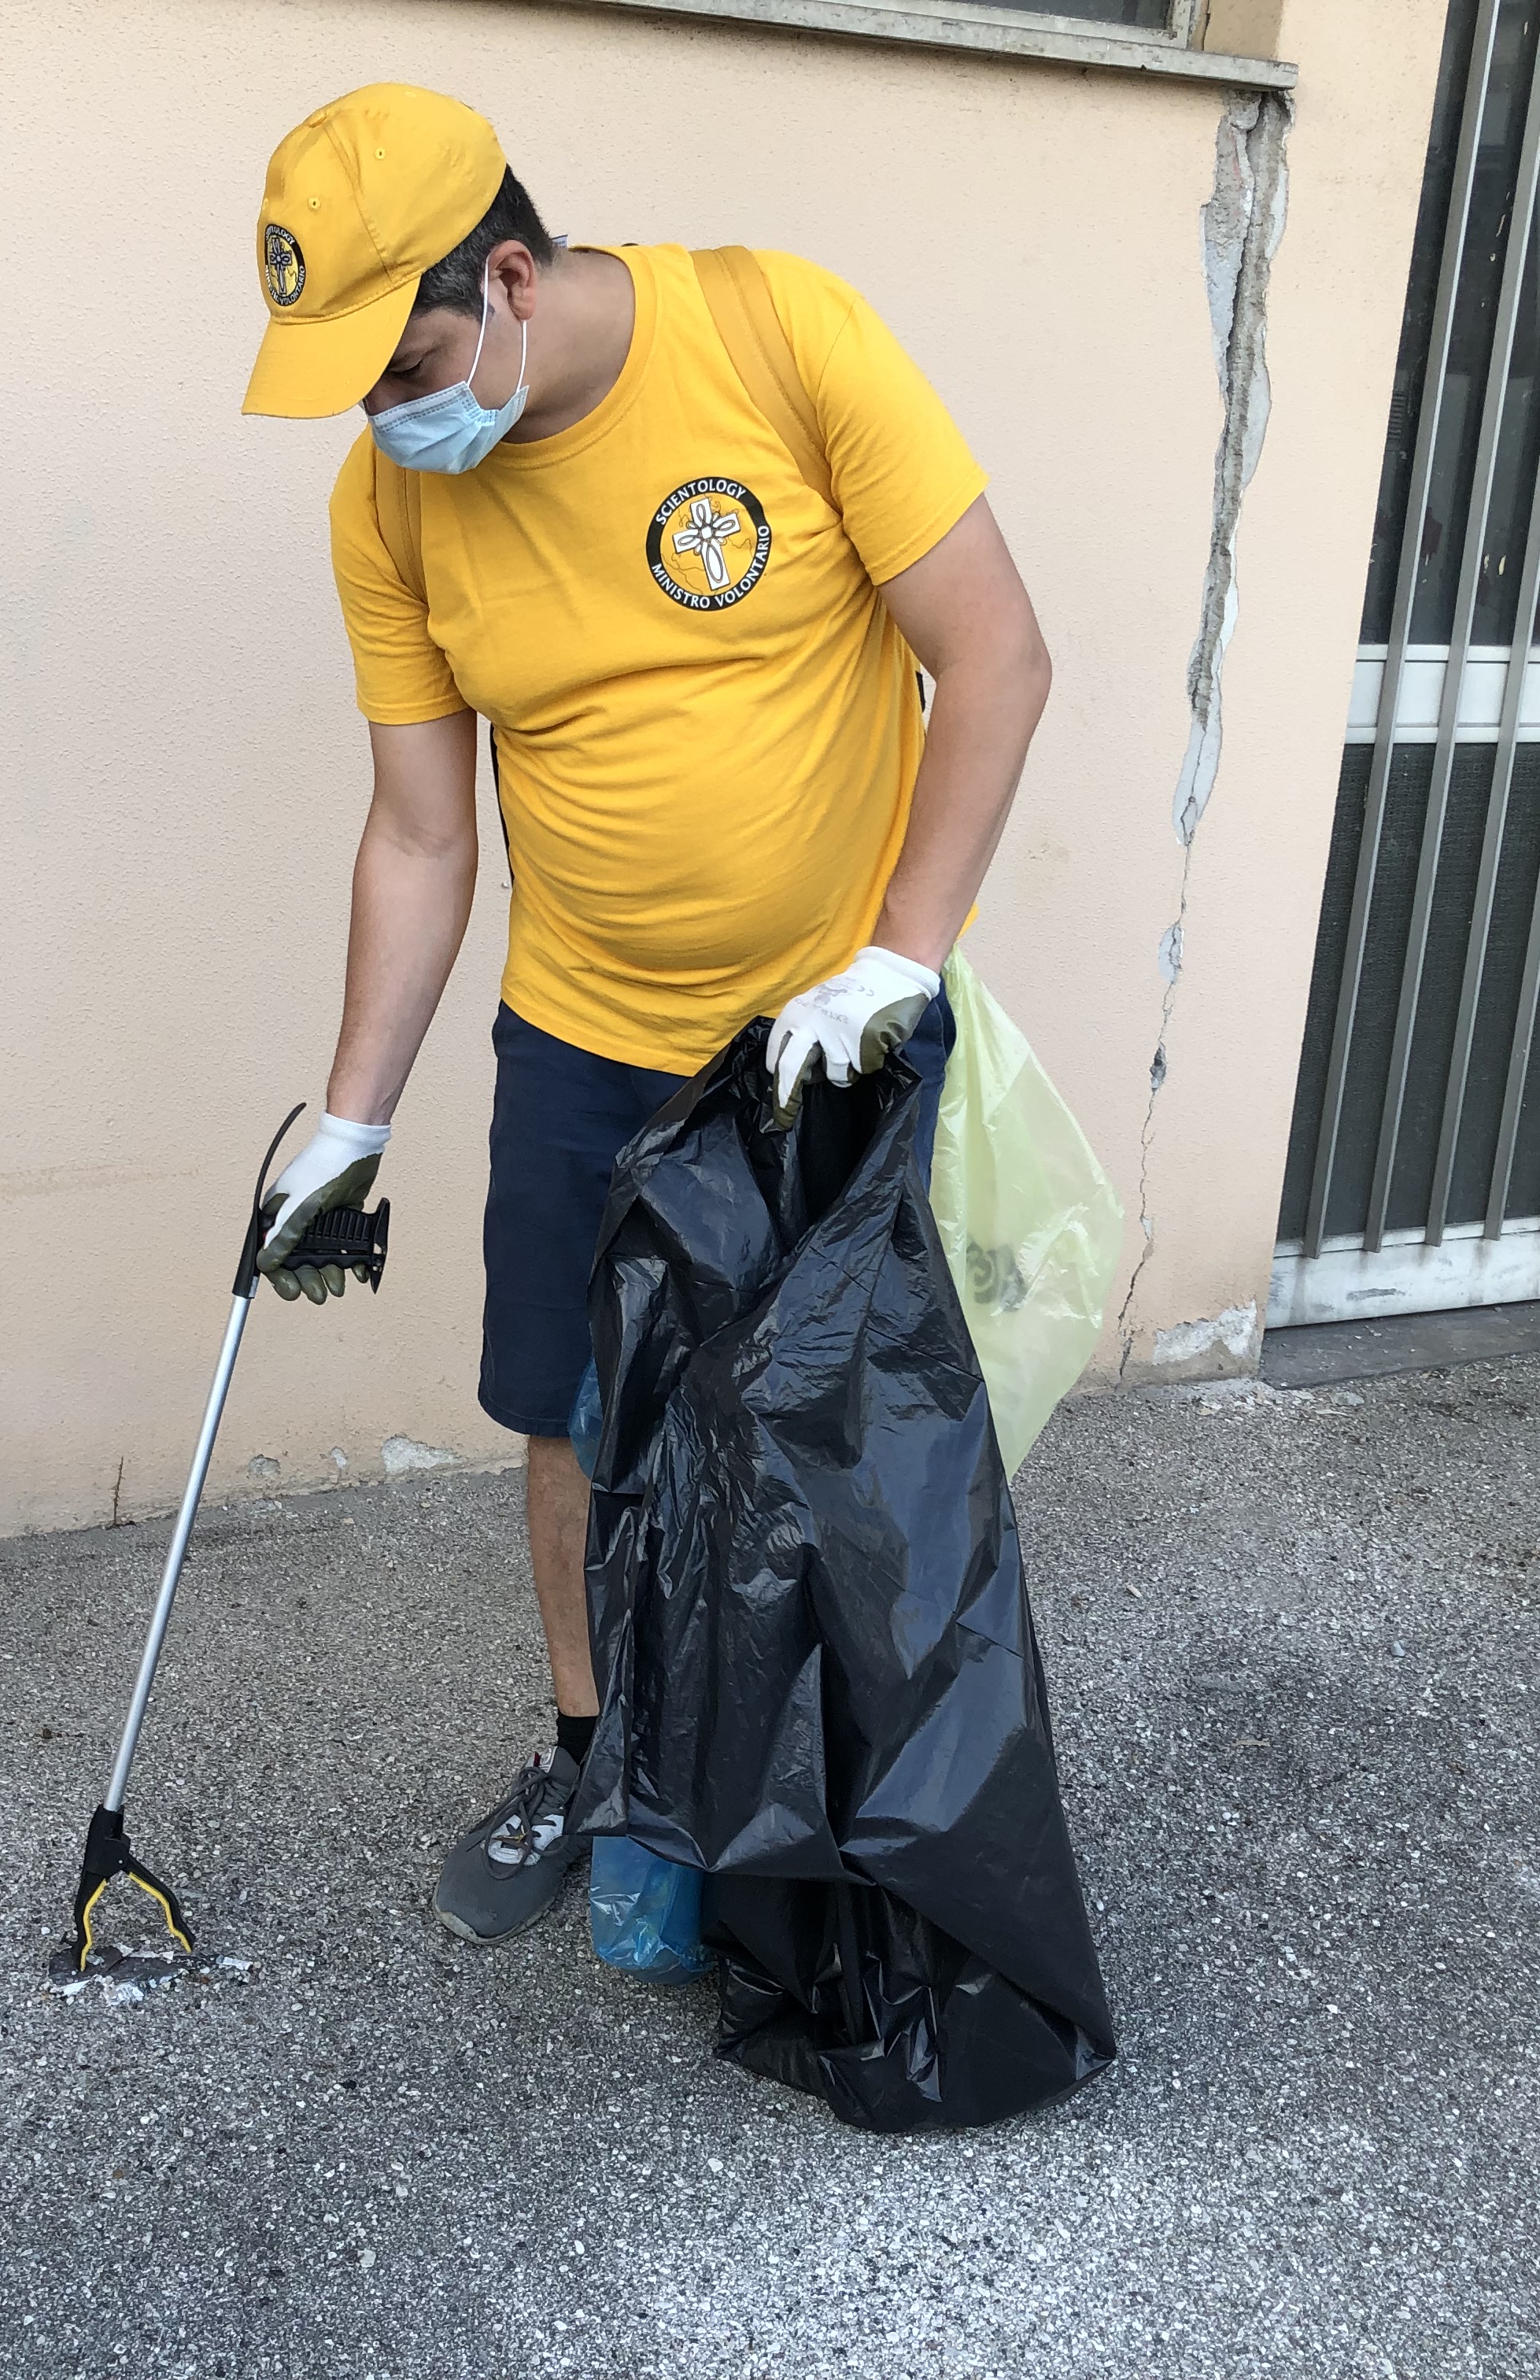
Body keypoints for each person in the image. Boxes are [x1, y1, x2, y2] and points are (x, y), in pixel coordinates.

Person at [238, 85, 1052, 1944]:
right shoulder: (393, 500)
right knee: (566, 1409)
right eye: (357, 385)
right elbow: (423, 830)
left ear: (510, 277)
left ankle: (843, 1798)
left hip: (819, 1033)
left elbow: (997, 651)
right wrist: (350, 1120)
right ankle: (595, 1758)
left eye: (412, 360)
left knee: (826, 1429)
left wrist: (904, 955)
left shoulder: (780, 336)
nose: (392, 414)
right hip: (583, 1033)